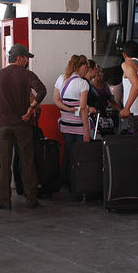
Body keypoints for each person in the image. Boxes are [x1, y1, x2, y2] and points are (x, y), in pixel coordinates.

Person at [0, 44, 46, 210]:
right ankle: (31, 198)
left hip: (3, 125)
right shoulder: (27, 74)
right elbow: (42, 90)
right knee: (27, 161)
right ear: (19, 58)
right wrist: (31, 108)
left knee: (4, 163)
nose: (26, 61)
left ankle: (3, 200)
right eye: (26, 58)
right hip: (23, 125)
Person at [53, 54, 90, 186]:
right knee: (79, 155)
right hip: (78, 125)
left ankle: (66, 181)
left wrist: (68, 109)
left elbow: (55, 100)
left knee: (68, 151)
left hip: (65, 124)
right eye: (87, 68)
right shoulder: (83, 83)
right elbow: (83, 108)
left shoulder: (61, 78)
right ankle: (77, 184)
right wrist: (86, 130)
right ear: (83, 66)